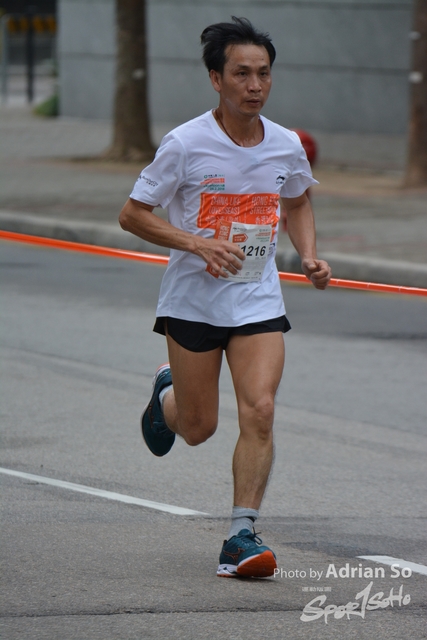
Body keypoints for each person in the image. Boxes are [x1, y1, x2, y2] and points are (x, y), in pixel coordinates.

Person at [119, 16, 331, 579]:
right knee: (197, 428)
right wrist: (196, 242)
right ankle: (166, 395)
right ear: (216, 79)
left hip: (257, 300)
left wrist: (309, 255)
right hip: (193, 303)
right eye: (241, 73)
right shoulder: (185, 144)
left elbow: (297, 201)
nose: (254, 85)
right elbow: (133, 215)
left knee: (260, 409)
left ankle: (241, 535)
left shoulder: (285, 144)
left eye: (263, 73)